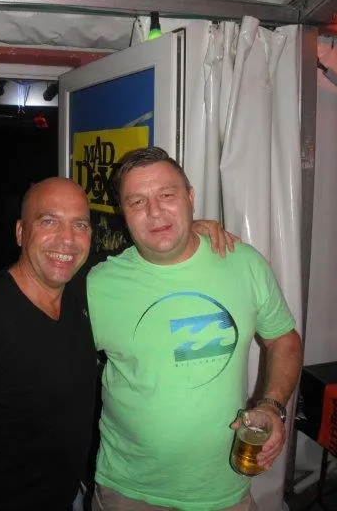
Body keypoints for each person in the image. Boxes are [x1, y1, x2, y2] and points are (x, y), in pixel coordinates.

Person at [0, 176, 234, 511]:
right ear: (20, 232)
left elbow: (132, 255)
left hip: (67, 496)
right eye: (48, 221)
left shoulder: (80, 291)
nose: (67, 239)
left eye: (80, 225)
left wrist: (182, 231)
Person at [87, 147, 302, 511]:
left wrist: (272, 404)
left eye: (167, 195)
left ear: (190, 197)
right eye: (137, 202)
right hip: (128, 489)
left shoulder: (244, 263)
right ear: (123, 213)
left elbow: (283, 339)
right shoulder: (98, 285)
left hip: (222, 488)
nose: (155, 212)